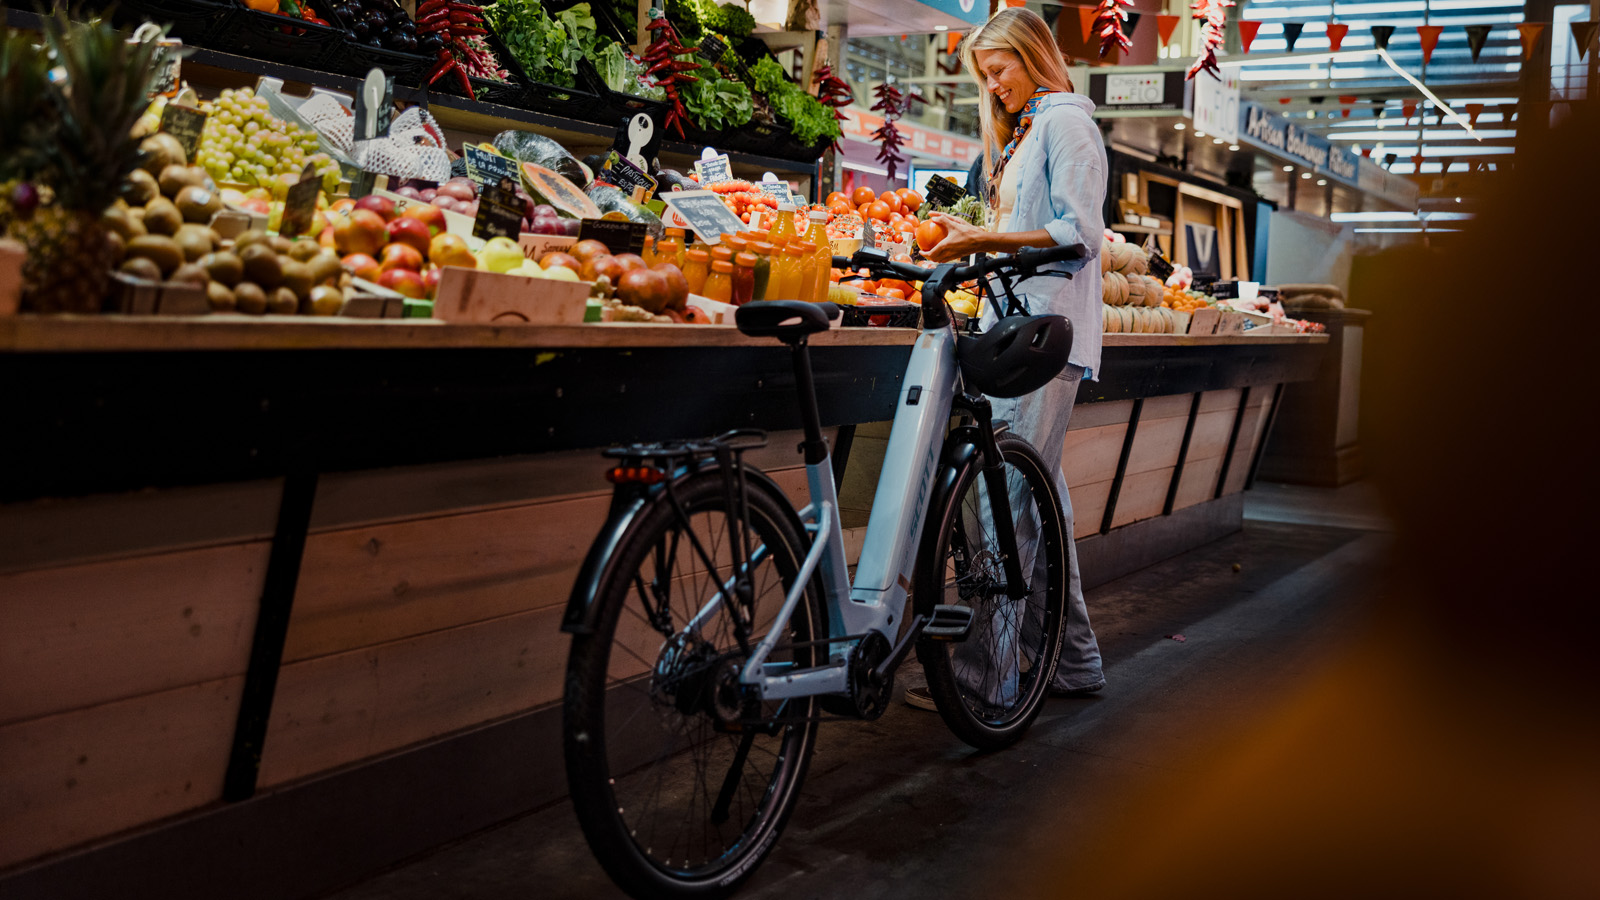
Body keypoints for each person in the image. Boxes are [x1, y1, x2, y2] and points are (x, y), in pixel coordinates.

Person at [905, 7, 1106, 709]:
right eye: (985, 77)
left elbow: (1078, 235)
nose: (993, 86)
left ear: (1033, 55)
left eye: (1000, 70)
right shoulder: (1027, 130)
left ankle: (987, 679)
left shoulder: (1066, 122)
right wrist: (977, 234)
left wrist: (977, 245)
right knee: (1039, 504)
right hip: (1019, 330)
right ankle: (1074, 661)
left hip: (1044, 337)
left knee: (1003, 510)